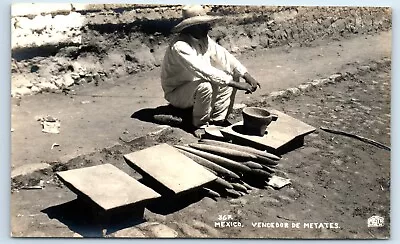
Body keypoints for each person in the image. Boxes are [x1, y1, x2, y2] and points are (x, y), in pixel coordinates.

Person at [161, 5, 260, 137]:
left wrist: (246, 75)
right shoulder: (180, 46)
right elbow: (204, 71)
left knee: (231, 75)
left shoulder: (204, 39)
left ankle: (217, 120)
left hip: (196, 87)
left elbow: (225, 57)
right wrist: (237, 84)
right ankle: (199, 125)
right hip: (178, 93)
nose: (210, 27)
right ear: (194, 26)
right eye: (205, 24)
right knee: (207, 85)